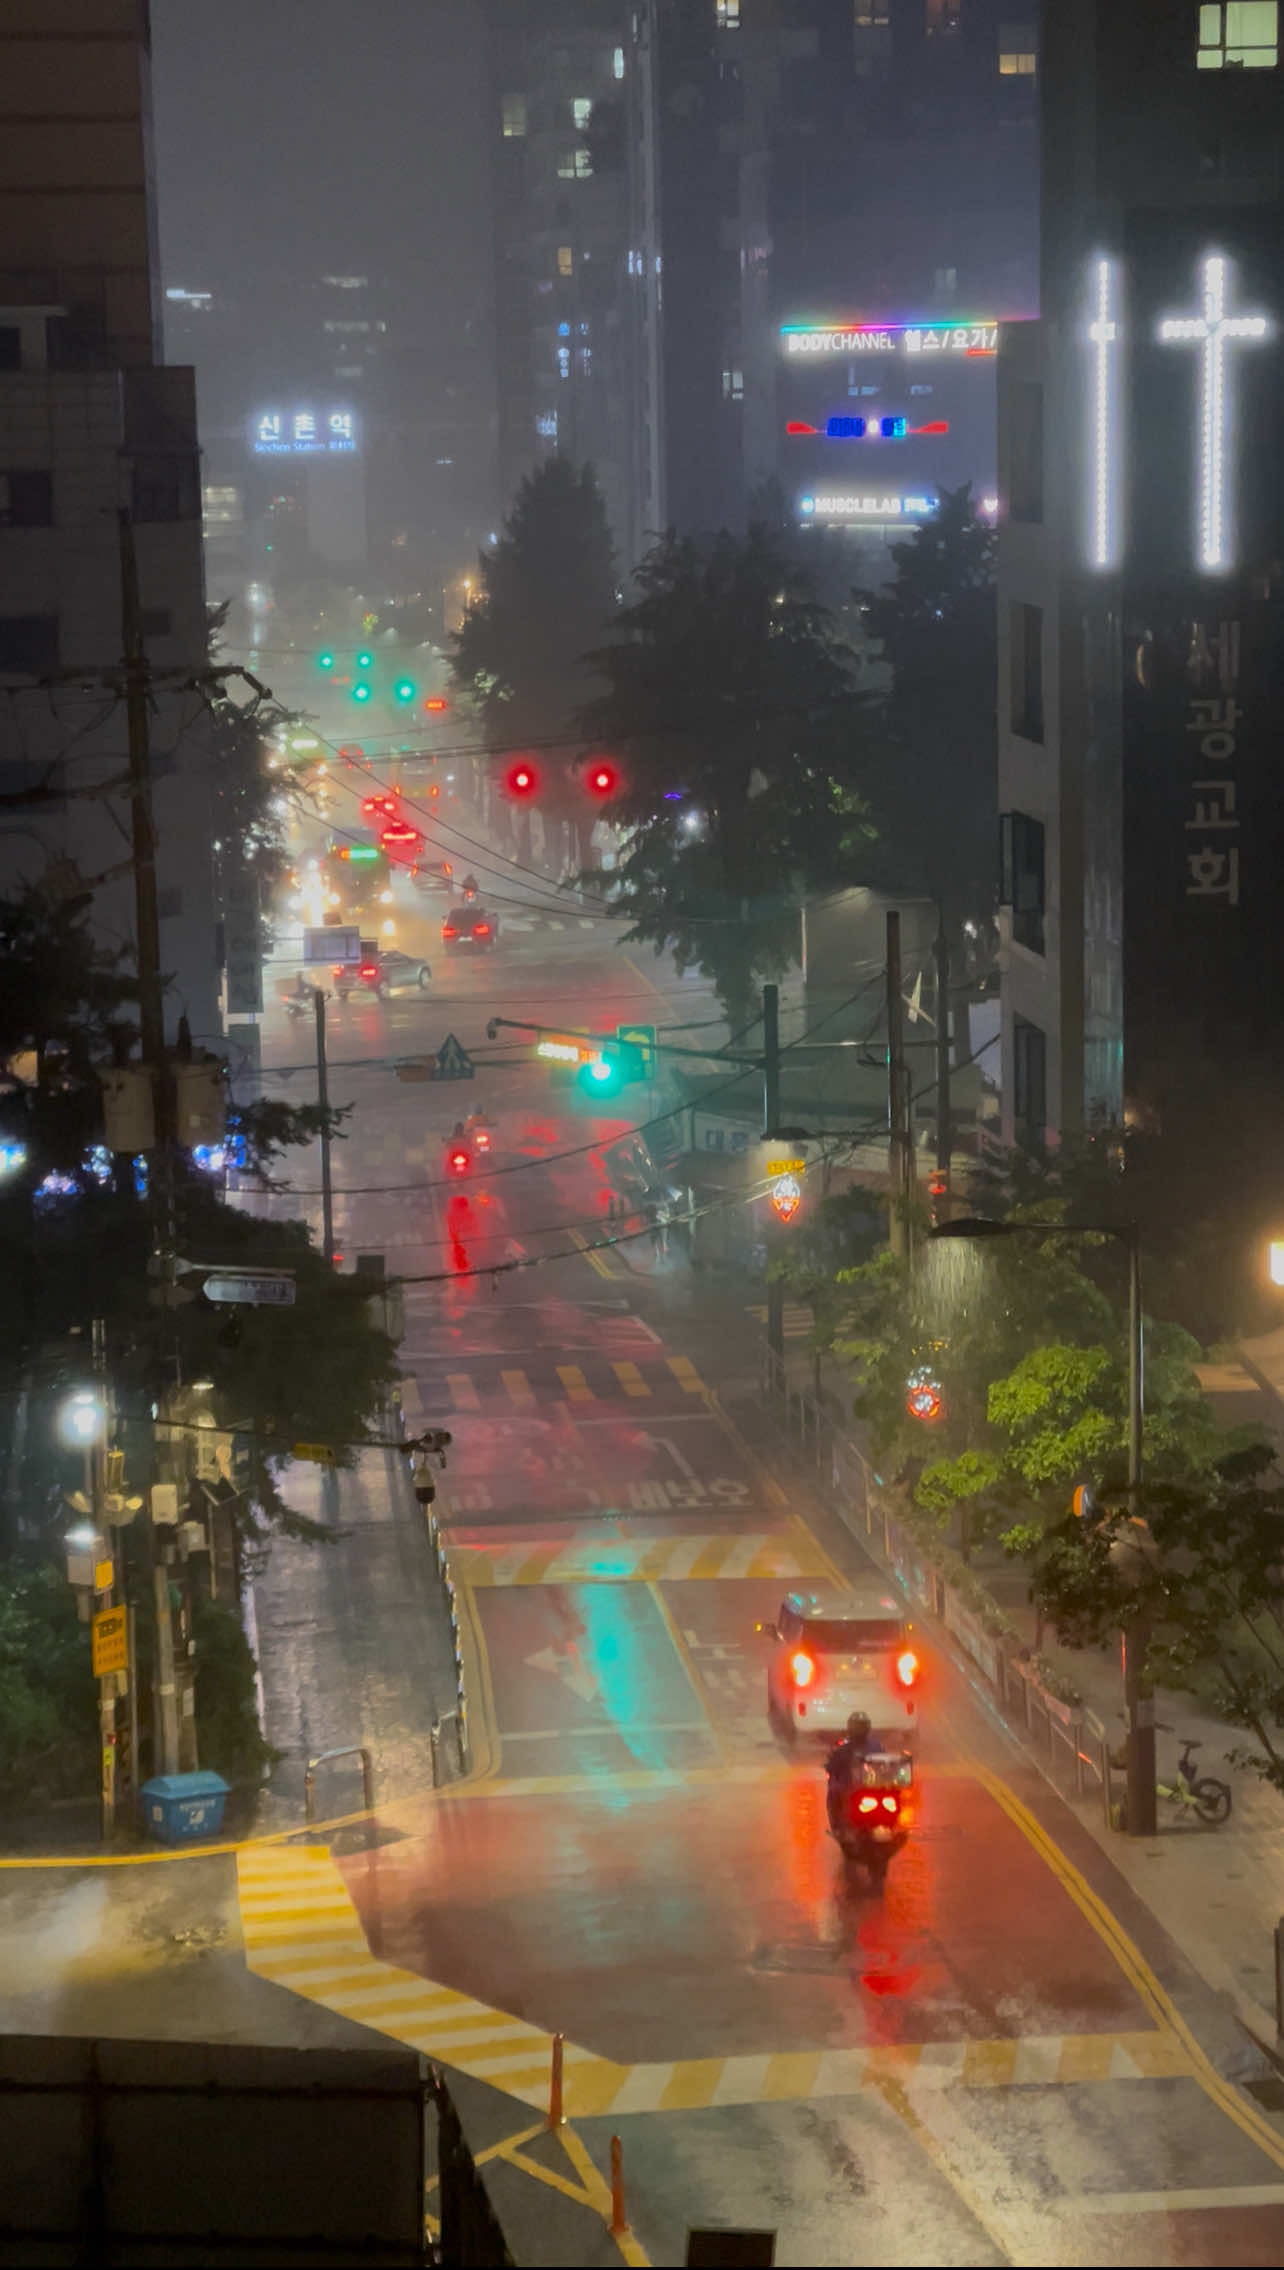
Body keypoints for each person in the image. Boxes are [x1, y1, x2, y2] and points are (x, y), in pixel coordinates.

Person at [825, 1711, 875, 1833]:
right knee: (834, 1792)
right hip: (851, 1788)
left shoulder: (875, 1745)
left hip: (872, 1786)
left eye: (861, 1726)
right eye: (858, 1726)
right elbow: (833, 1765)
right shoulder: (844, 1747)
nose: (860, 1729)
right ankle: (838, 1825)